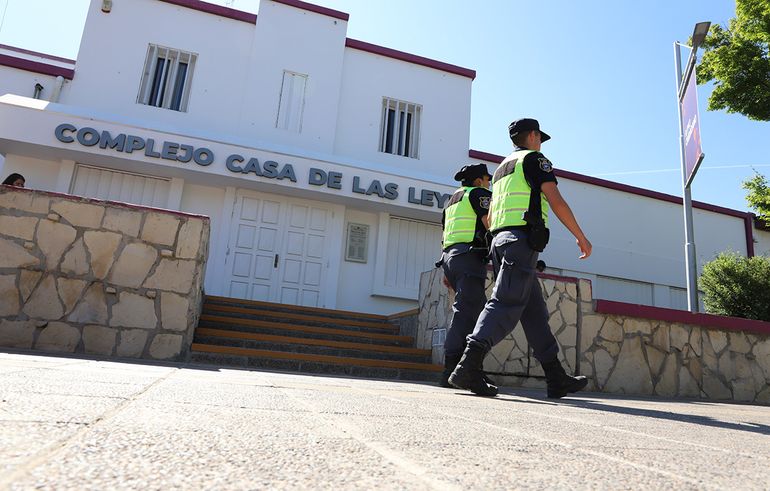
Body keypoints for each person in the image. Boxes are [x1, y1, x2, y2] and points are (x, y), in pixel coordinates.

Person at [449, 118, 592, 399]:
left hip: (501, 242)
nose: (540, 144)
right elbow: (555, 199)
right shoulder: (534, 160)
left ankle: (555, 376)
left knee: (533, 311)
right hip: (520, 242)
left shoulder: (502, 168)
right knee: (505, 303)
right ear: (533, 135)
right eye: (540, 138)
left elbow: (491, 216)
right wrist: (580, 236)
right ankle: (468, 365)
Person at [437, 163, 494, 389]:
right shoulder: (479, 194)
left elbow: (445, 234)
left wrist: (445, 268)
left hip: (451, 258)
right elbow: (490, 223)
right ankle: (453, 370)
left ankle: (466, 368)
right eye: (487, 179)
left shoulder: (452, 201)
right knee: (467, 315)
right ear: (479, 180)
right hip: (469, 257)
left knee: (470, 312)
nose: (489, 183)